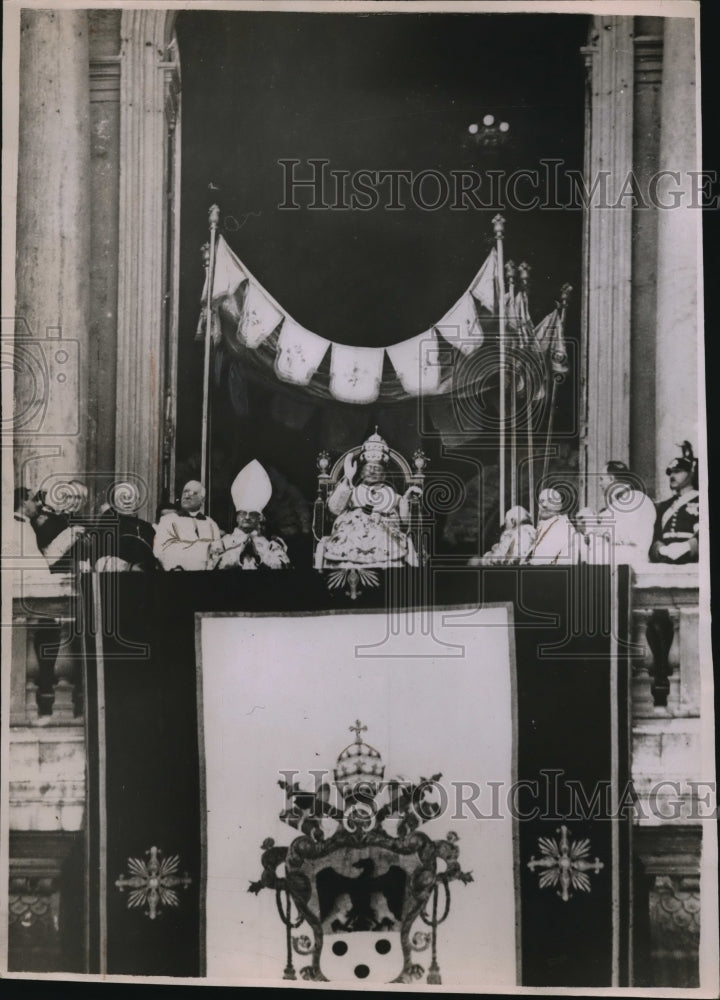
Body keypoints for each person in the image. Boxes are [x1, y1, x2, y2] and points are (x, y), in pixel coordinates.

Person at [316, 430, 422, 569]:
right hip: (352, 529)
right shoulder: (353, 490)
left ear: (384, 475)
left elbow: (405, 520)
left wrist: (406, 499)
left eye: (377, 469)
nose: (372, 472)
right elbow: (334, 509)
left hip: (384, 529)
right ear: (361, 473)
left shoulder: (390, 493)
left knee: (385, 540)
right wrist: (347, 478)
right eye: (368, 469)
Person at [211, 460, 291, 570]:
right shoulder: (224, 542)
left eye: (252, 514)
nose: (247, 517)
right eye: (243, 513)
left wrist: (260, 556)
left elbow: (283, 566)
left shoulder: (271, 544)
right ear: (237, 517)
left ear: (260, 518)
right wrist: (239, 553)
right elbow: (213, 566)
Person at [584, 461, 656, 568]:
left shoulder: (637, 500)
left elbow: (636, 535)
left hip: (630, 565)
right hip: (613, 565)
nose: (599, 484)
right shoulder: (618, 504)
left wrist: (604, 531)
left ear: (612, 479)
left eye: (602, 479)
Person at [153, 480, 222, 570]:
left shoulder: (211, 523)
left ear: (203, 499)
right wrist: (174, 568)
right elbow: (160, 551)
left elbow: (217, 550)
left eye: (193, 493)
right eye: (185, 492)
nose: (187, 496)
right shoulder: (167, 520)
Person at [651, 442, 699, 564]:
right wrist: (660, 548)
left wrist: (688, 546)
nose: (672, 476)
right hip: (666, 561)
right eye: (670, 472)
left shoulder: (701, 501)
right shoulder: (664, 506)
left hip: (693, 560)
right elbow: (656, 535)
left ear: (690, 474)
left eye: (677, 471)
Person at [95, 482, 157, 572]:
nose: (127, 501)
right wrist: (128, 567)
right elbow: (100, 558)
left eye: (131, 497)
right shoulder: (108, 523)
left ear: (138, 501)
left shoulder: (147, 527)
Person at [527, 488, 580, 565]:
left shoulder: (562, 526)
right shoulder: (547, 524)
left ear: (559, 506)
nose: (544, 505)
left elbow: (542, 560)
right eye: (541, 501)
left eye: (550, 500)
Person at [469, 505, 536, 566]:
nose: (505, 527)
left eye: (506, 523)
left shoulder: (519, 533)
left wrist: (486, 558)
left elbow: (510, 559)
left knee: (474, 561)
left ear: (513, 521)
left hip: (508, 573)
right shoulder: (533, 532)